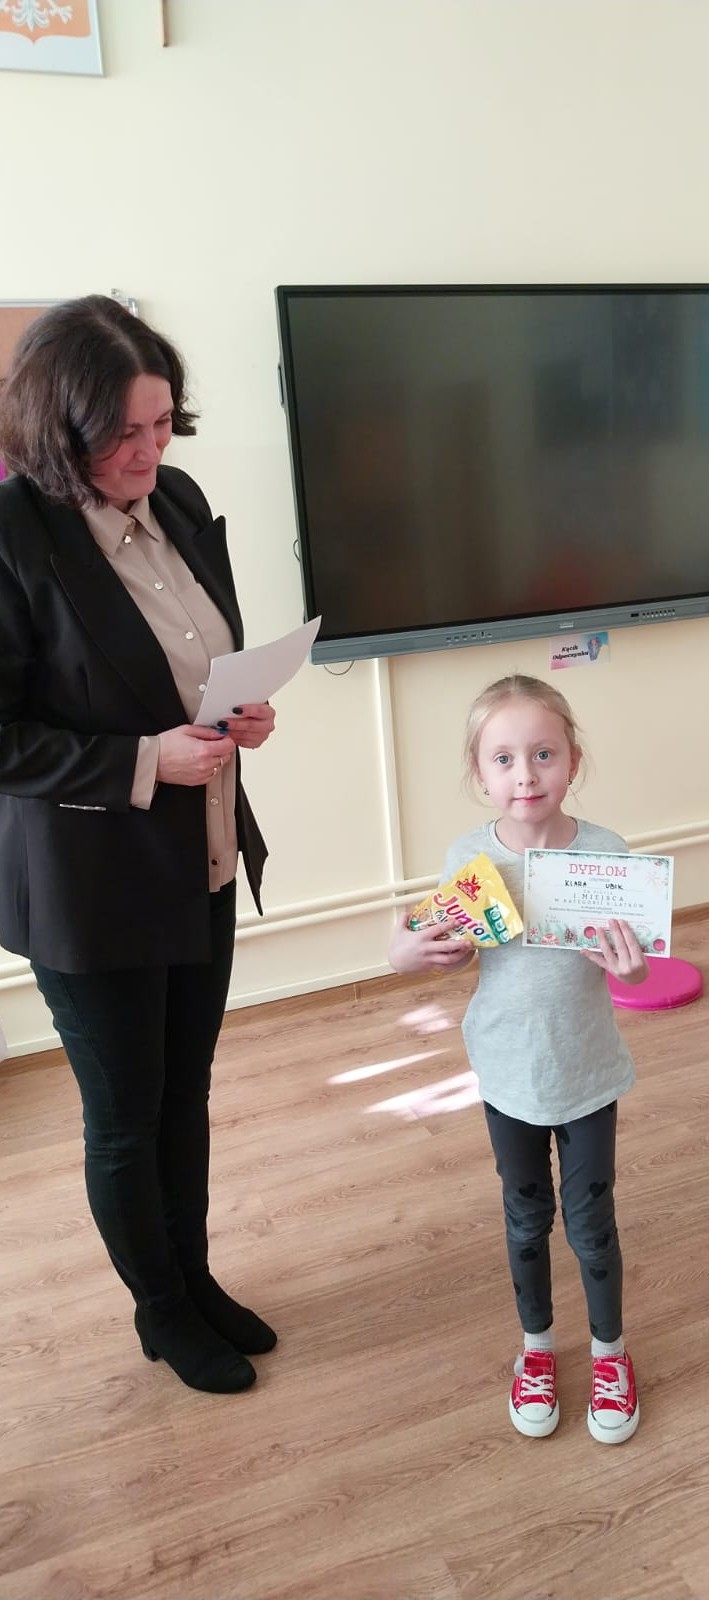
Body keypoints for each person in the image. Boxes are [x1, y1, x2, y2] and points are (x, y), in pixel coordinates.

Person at [0, 296, 277, 1394]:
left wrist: (240, 709)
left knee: (184, 1093)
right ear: (57, 429)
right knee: (125, 1117)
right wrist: (141, 762)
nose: (150, 452)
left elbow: (196, 655)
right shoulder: (13, 535)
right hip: (91, 881)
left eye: (163, 424)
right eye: (123, 434)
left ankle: (194, 1279)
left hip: (199, 853)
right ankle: (161, 1312)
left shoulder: (182, 499)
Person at [389, 673, 647, 1443]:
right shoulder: (467, 856)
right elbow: (443, 948)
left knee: (592, 1225)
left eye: (543, 754)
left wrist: (632, 970)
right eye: (503, 759)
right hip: (506, 1072)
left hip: (588, 1069)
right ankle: (536, 1348)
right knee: (526, 1216)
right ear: (480, 773)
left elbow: (635, 970)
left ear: (573, 761)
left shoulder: (607, 853)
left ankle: (610, 1355)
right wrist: (411, 953)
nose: (525, 775)